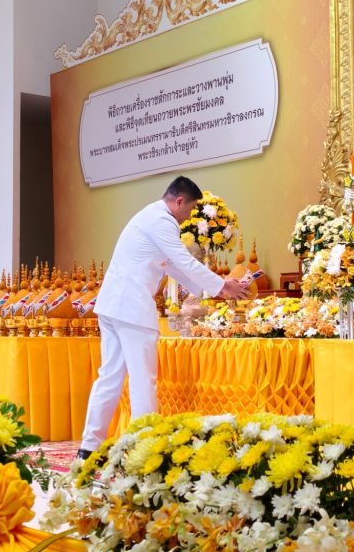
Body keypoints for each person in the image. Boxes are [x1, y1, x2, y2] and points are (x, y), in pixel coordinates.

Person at [78, 176, 250, 458]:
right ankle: (144, 449)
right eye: (189, 210)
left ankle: (88, 448)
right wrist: (222, 286)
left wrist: (214, 289)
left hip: (113, 306)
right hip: (131, 309)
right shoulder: (162, 221)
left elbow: (171, 265)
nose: (188, 218)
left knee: (109, 377)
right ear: (179, 201)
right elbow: (183, 261)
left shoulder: (149, 216)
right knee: (143, 381)